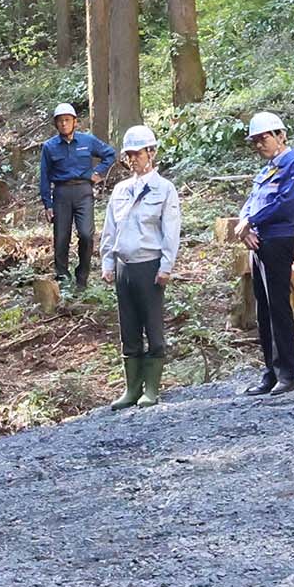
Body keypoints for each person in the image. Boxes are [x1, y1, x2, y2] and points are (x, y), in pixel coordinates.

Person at [99, 125, 181, 412]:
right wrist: (107, 262)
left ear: (151, 153)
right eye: (129, 154)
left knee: (153, 326)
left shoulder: (164, 189)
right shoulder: (121, 190)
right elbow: (110, 230)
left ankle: (152, 387)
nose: (133, 159)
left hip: (149, 265)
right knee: (129, 327)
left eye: (138, 153)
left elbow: (171, 231)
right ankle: (131, 388)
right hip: (124, 266)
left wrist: (166, 266)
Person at [238, 112, 294, 395]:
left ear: (281, 135)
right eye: (255, 140)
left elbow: (286, 202)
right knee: (263, 307)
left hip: (279, 240)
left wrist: (252, 221)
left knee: (278, 306)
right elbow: (250, 202)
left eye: (264, 138)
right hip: (258, 242)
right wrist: (245, 226)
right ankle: (270, 370)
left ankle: (287, 372)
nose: (260, 144)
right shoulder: (266, 169)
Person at [38, 102, 116, 292]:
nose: (64, 124)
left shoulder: (87, 141)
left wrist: (97, 173)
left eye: (67, 120)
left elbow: (109, 154)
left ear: (75, 122)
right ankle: (63, 278)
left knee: (87, 235)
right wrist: (47, 204)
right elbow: (44, 177)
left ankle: (82, 278)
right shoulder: (49, 147)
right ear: (56, 125)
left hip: (83, 192)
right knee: (61, 237)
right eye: (60, 121)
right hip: (61, 193)